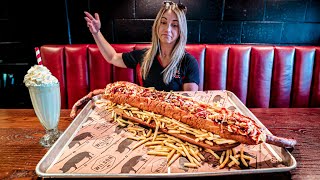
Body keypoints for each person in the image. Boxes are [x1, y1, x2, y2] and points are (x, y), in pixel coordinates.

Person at [84, 1, 200, 91]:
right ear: (157, 26)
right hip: (145, 115)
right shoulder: (143, 56)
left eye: (174, 25)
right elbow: (112, 57)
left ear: (181, 30)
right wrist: (96, 33)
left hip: (174, 118)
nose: (167, 29)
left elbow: (189, 100)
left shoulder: (188, 62)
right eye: (163, 23)